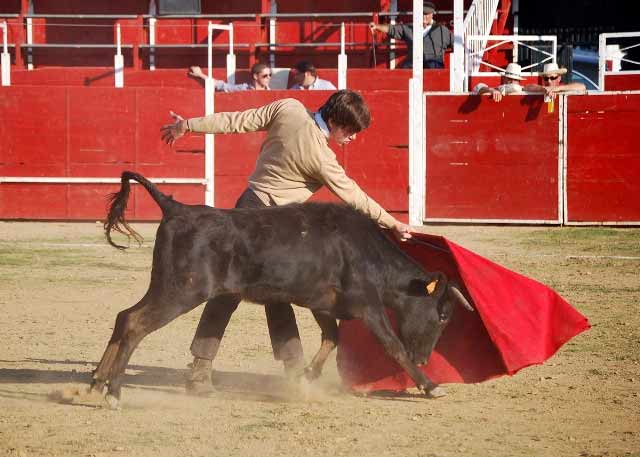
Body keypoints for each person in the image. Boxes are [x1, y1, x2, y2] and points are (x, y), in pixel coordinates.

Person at [160, 90, 412, 394]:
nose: (353, 138)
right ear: (333, 121)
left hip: (246, 209)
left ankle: (204, 369)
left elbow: (237, 121)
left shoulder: (288, 108)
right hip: (278, 226)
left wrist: (188, 125)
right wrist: (393, 222)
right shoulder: (322, 157)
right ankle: (289, 370)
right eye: (349, 130)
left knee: (229, 289)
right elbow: (355, 196)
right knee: (273, 291)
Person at [369, 1, 452, 69]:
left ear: (432, 14)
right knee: (406, 68)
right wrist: (376, 26)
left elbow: (457, 45)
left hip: (433, 67)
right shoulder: (409, 28)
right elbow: (392, 29)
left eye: (426, 13)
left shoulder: (442, 30)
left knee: (433, 64)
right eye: (422, 13)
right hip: (413, 65)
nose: (424, 16)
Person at [188, 62, 272, 92]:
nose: (269, 78)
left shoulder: (271, 92)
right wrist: (200, 74)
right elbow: (221, 85)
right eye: (265, 75)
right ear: (255, 76)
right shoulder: (244, 89)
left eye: (270, 75)